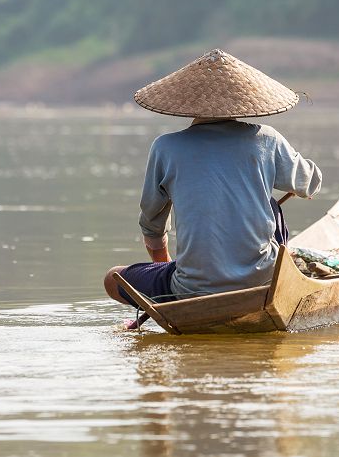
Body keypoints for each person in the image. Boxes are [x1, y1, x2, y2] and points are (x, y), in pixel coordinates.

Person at [103, 49, 322, 308]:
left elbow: (152, 225)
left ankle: (174, 288)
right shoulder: (267, 139)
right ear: (243, 101)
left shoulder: (166, 147)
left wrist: (166, 270)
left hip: (190, 289)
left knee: (112, 278)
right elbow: (310, 184)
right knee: (271, 206)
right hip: (264, 281)